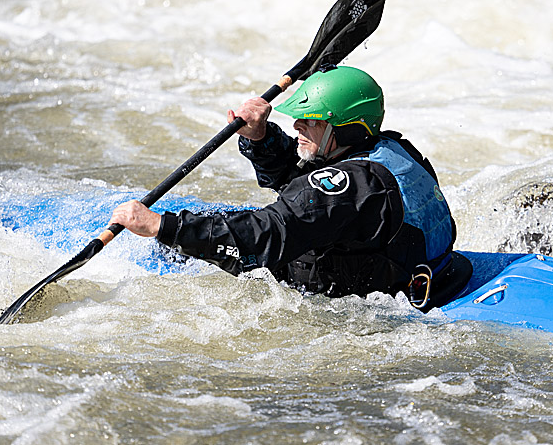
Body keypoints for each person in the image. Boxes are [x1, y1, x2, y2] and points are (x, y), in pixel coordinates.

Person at [109, 65, 472, 309]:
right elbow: (309, 187)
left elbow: (268, 235)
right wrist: (260, 138)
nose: (298, 125)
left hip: (379, 296)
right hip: (442, 273)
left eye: (311, 121)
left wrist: (163, 228)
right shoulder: (390, 151)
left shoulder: (351, 185)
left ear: (343, 129)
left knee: (188, 238)